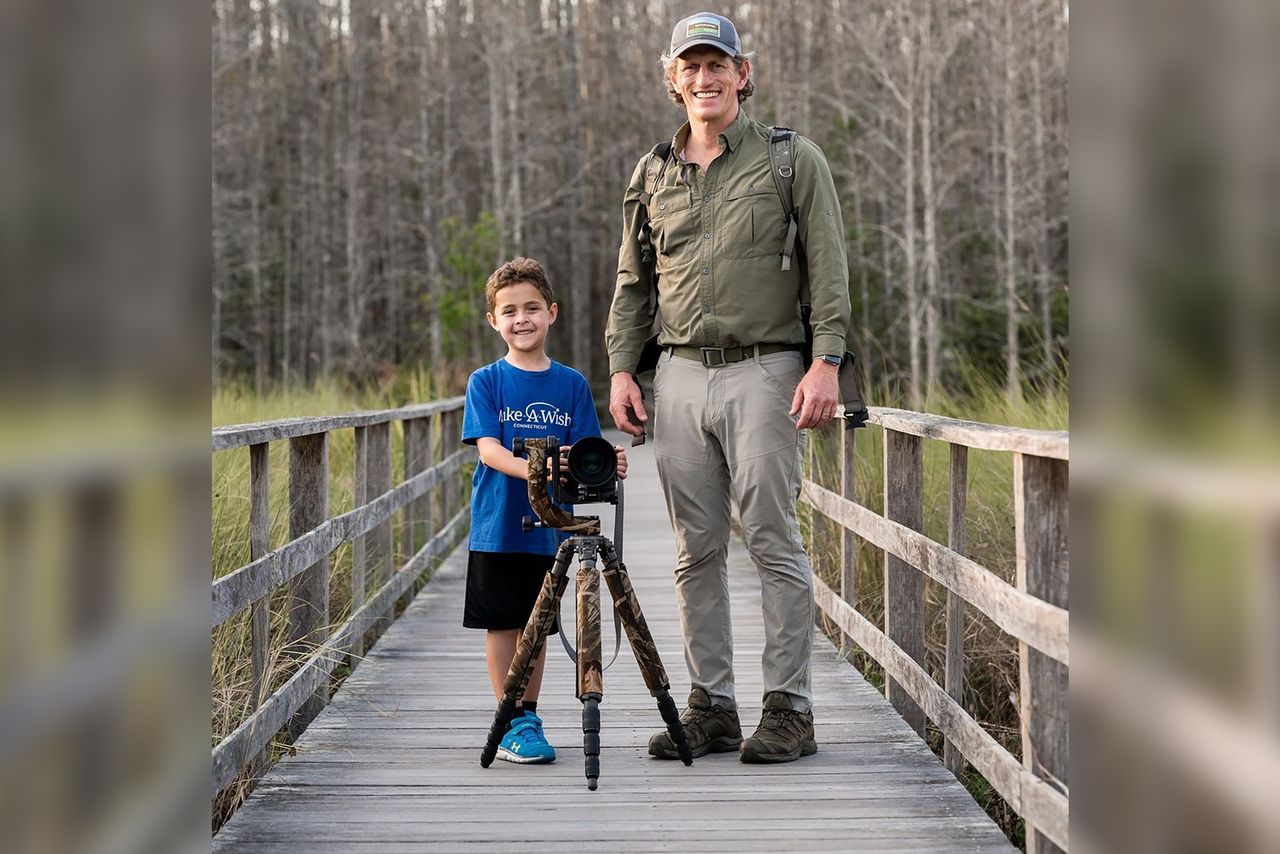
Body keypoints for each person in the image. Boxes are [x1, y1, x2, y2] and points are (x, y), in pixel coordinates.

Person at [605, 11, 850, 764]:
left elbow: (829, 266)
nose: (705, 79)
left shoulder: (789, 159)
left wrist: (827, 360)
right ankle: (711, 705)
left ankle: (790, 711)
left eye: (719, 65)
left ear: (743, 74)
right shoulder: (652, 174)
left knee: (774, 540)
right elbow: (632, 282)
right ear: (671, 77)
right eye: (691, 67)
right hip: (677, 375)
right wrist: (620, 366)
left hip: (768, 370)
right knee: (694, 551)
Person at [463, 257, 628, 764]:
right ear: (494, 321)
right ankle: (507, 716)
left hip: (549, 528)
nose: (522, 319)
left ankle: (528, 715)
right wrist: (538, 468)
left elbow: (583, 452)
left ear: (551, 313)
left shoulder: (571, 384)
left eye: (532, 308)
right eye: (509, 311)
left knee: (538, 624)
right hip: (498, 525)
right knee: (504, 622)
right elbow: (488, 450)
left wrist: (605, 463)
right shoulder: (486, 381)